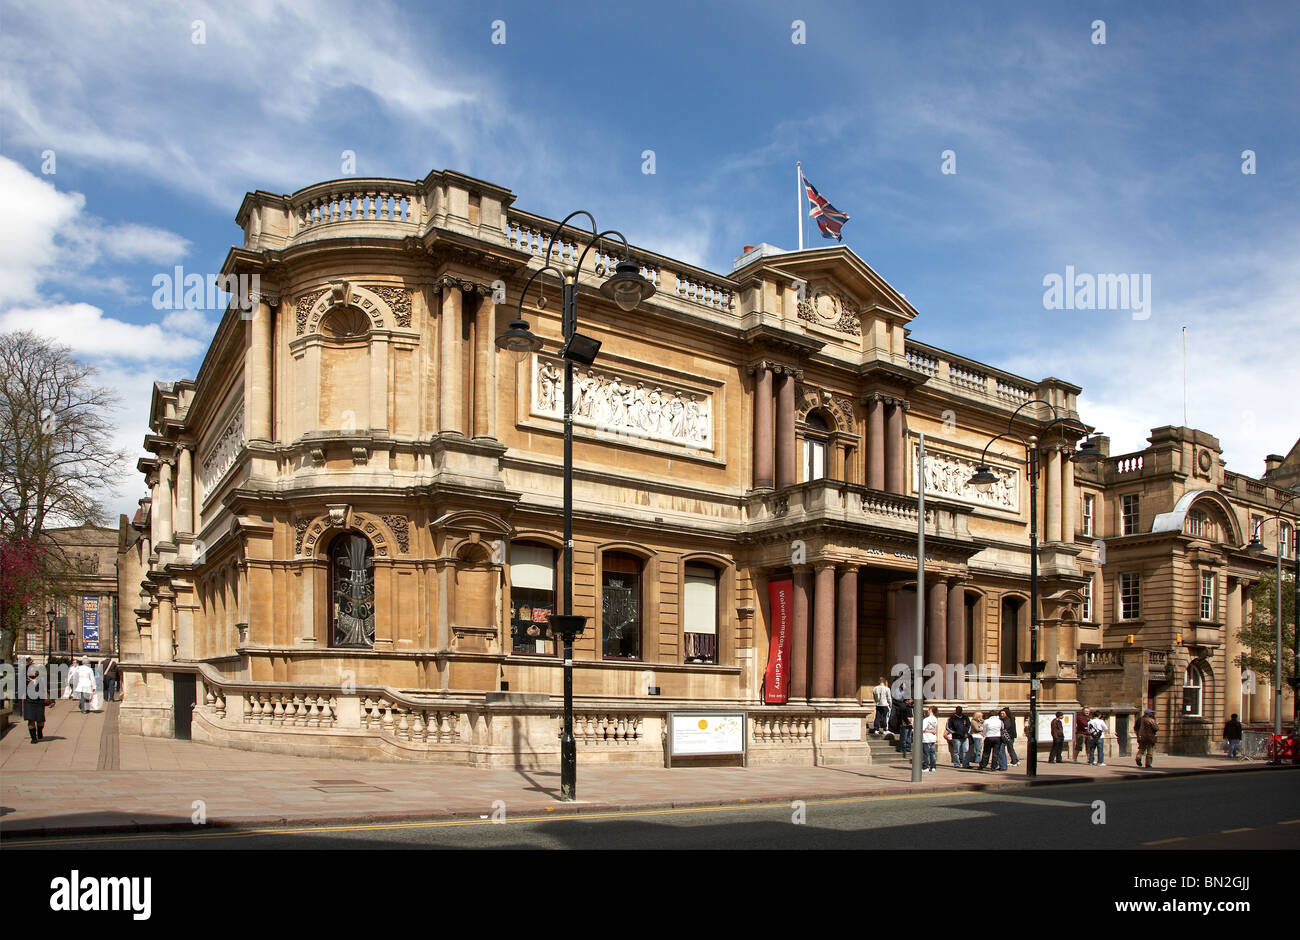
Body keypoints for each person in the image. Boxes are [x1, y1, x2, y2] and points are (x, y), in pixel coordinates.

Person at [22, 660, 54, 744]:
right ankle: (33, 738)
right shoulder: (24, 680)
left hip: (39, 701)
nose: (34, 671)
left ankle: (40, 732)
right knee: (31, 719)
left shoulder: (41, 679)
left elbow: (46, 690)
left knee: (40, 720)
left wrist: (51, 700)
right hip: (28, 701)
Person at [921, 706, 939, 772]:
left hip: (926, 738)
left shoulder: (926, 720)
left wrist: (929, 731)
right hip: (932, 738)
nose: (928, 711)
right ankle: (933, 766)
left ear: (931, 710)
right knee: (932, 753)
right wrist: (932, 731)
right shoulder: (935, 719)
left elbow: (923, 729)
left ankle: (925, 767)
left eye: (928, 710)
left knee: (926, 753)